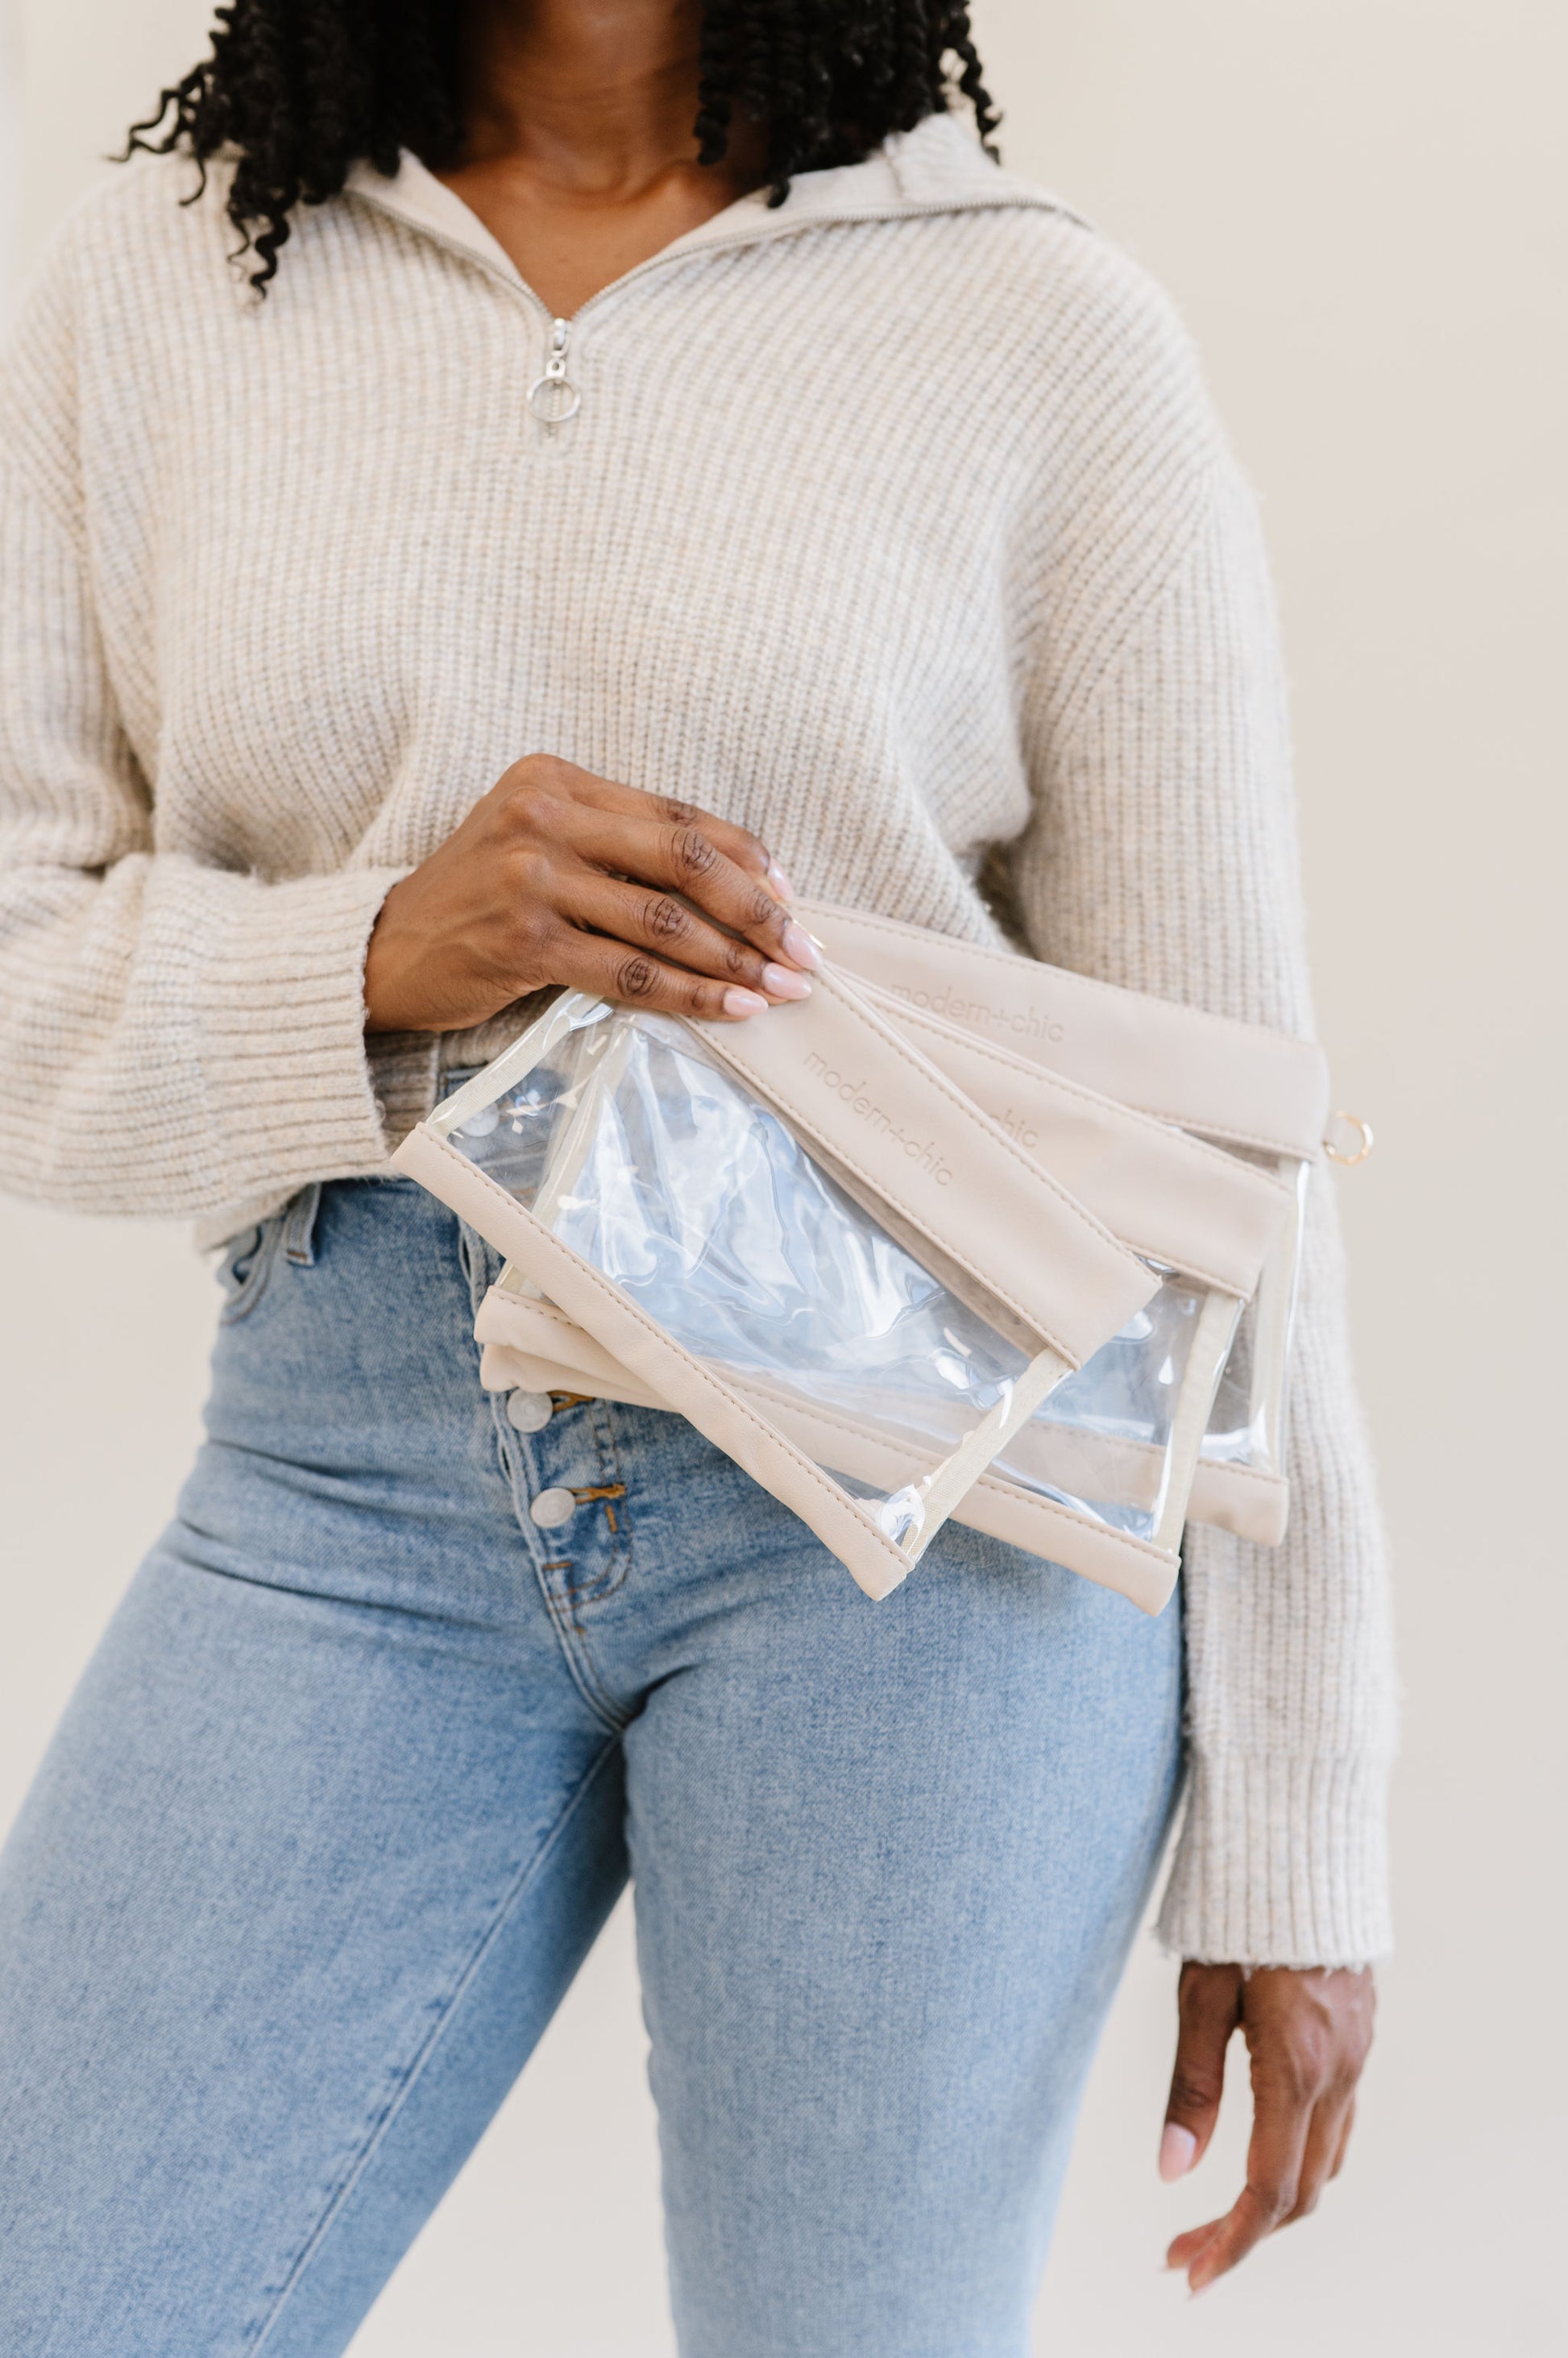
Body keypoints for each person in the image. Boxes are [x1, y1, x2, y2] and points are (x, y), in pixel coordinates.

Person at [0, 4, 1396, 2352]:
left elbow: (1225, 1139)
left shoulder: (1035, 321)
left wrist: (1296, 1827)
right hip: (349, 1487)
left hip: (935, 1518)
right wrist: (369, 951)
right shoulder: (157, 281)